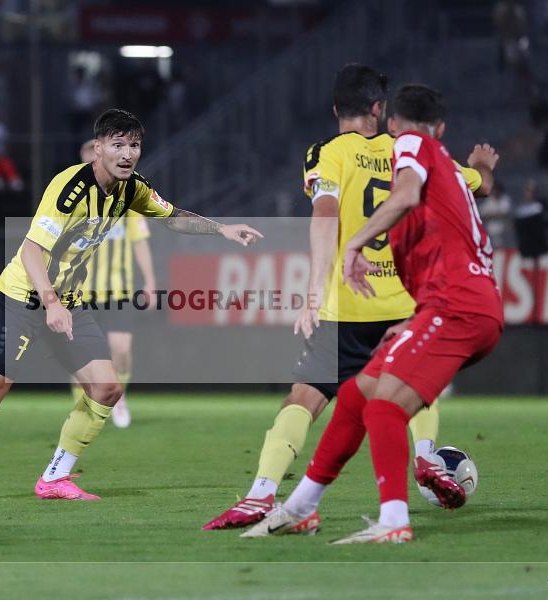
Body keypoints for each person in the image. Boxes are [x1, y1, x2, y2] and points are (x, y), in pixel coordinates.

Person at [0, 109, 263, 505]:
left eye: (135, 145)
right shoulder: (70, 188)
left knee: (107, 388)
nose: (127, 153)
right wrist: (52, 303)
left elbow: (173, 216)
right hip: (24, 297)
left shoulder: (133, 188)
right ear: (97, 149)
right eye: (118, 144)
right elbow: (31, 252)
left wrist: (222, 229)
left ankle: (54, 477)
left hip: (67, 301)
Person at [203, 64, 497, 532]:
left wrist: (314, 289)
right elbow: (478, 183)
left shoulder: (327, 153)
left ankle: (262, 494)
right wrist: (483, 164)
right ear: (380, 110)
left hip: (348, 305)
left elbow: (325, 214)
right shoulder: (410, 149)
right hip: (405, 303)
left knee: (305, 397)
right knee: (414, 388)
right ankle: (426, 459)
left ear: (336, 109)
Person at [73, 139, 157, 428]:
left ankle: (117, 398)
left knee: (120, 349)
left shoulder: (127, 197)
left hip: (119, 290)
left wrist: (150, 281)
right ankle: (82, 404)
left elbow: (139, 241)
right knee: (78, 354)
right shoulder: (71, 200)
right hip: (78, 290)